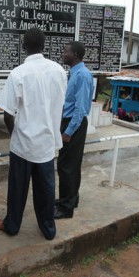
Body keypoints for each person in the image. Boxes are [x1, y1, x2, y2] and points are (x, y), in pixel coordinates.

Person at [0, 28, 67, 239]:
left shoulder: (18, 74)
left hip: (23, 144)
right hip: (47, 143)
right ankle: (48, 229)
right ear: (43, 46)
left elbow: (7, 114)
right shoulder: (59, 71)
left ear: (24, 46)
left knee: (18, 189)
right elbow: (58, 105)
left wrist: (14, 136)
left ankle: (12, 226)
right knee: (46, 189)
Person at [55, 41, 93, 219]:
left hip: (74, 124)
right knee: (69, 165)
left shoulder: (82, 75)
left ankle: (65, 207)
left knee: (67, 166)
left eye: (66, 51)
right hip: (69, 122)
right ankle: (69, 199)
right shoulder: (74, 73)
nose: (63, 54)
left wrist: (68, 131)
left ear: (75, 55)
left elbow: (80, 108)